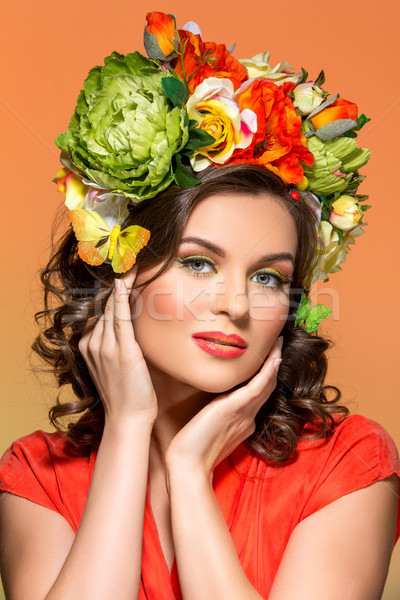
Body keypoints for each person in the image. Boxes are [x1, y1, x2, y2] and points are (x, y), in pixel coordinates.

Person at [0, 11, 399, 600]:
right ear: (118, 271)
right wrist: (130, 429)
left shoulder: (349, 464)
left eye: (267, 277)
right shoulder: (36, 476)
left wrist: (188, 474)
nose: (236, 303)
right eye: (198, 262)